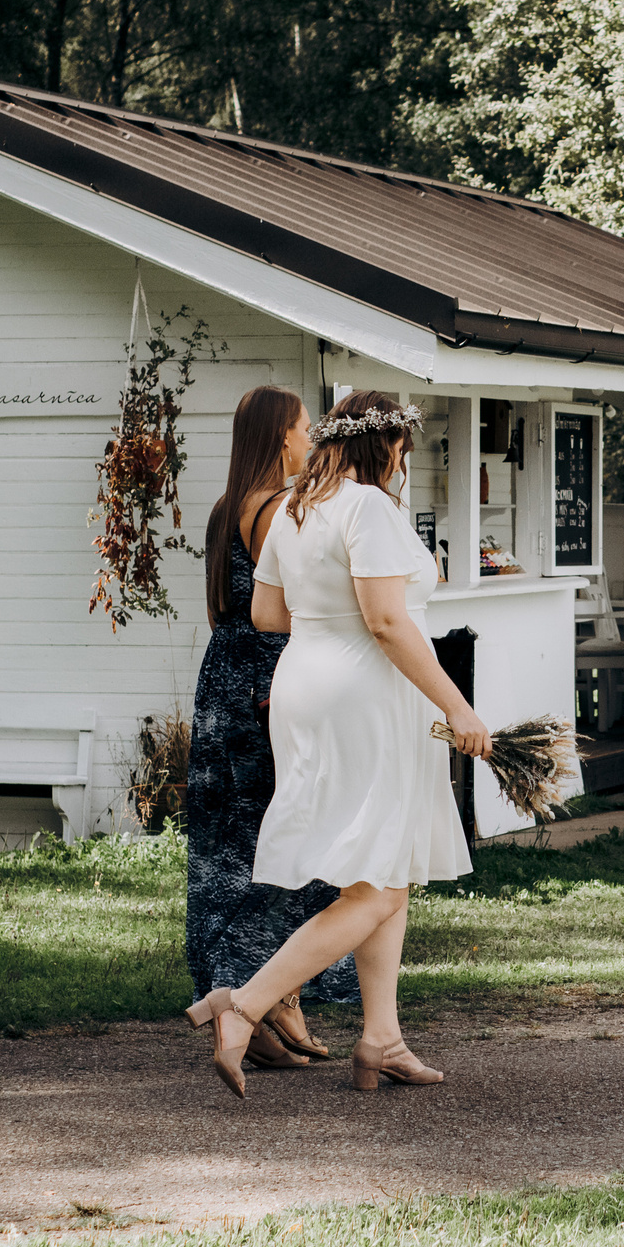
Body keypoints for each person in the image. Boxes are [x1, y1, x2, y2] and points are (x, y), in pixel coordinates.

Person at [186, 390, 491, 1096]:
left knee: (386, 863)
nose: (404, 464)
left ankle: (381, 1036)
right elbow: (387, 621)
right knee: (380, 882)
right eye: (403, 450)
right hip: (367, 696)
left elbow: (267, 612)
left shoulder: (297, 504)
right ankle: (244, 1006)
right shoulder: (368, 507)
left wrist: (328, 629)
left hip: (305, 687)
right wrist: (458, 705)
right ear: (384, 446)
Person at [181, 384, 358, 1073]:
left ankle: (244, 996)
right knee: (291, 837)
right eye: (304, 425)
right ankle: (275, 996)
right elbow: (288, 607)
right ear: (281, 436)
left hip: (222, 683)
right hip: (267, 688)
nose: (311, 435)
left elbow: (223, 608)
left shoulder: (228, 508)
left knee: (232, 848)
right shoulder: (280, 509)